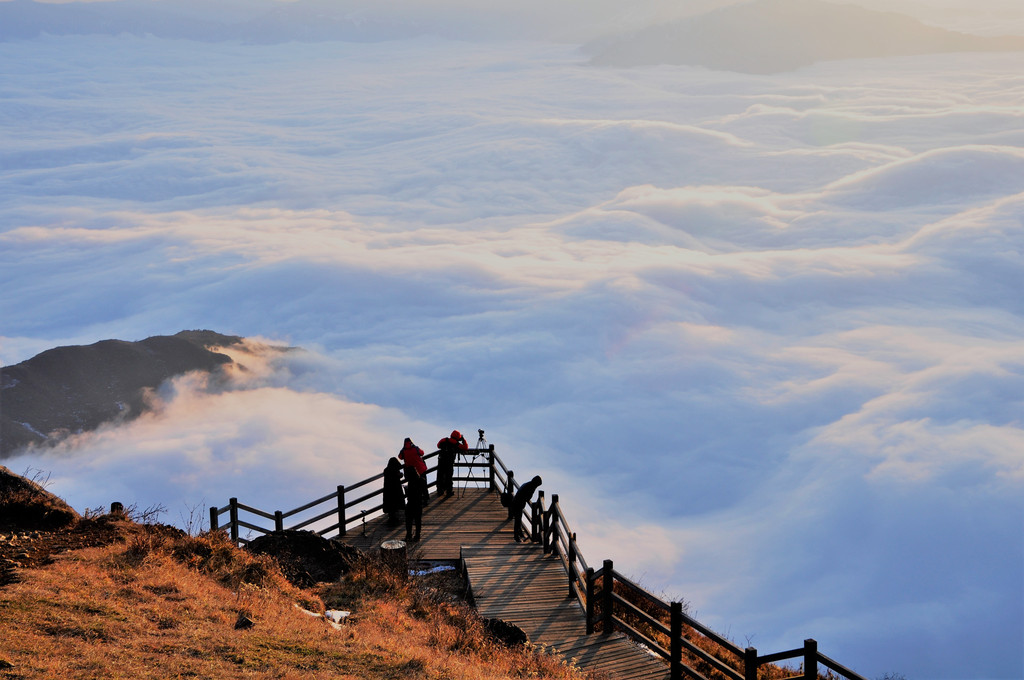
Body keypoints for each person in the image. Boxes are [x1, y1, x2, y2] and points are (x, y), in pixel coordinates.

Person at [435, 429, 468, 498]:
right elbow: (465, 448)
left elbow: (438, 445)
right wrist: (463, 440)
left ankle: (439, 490)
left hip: (441, 461)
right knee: (449, 477)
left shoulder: (444, 440)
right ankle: (448, 492)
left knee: (440, 475)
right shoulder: (456, 443)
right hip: (449, 462)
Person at [511, 475, 542, 543]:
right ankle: (517, 537)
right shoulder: (531, 487)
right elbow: (528, 497)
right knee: (518, 520)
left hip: (516, 503)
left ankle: (520, 534)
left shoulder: (527, 484)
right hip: (518, 504)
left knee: (518, 520)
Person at [399, 437, 429, 505]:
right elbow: (422, 453)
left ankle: (417, 500)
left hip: (411, 472)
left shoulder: (403, 451)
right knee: (423, 485)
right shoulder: (415, 448)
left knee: (414, 487)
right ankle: (425, 499)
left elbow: (400, 457)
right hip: (420, 469)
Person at [382, 457, 405, 527]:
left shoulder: (386, 470)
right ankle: (395, 517)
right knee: (395, 503)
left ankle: (391, 517)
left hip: (388, 490)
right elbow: (400, 474)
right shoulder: (395, 470)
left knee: (389, 503)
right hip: (396, 489)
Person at [404, 467, 423, 542]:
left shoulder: (410, 482)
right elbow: (424, 492)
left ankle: (409, 535)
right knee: (418, 520)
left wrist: (406, 490)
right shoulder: (421, 480)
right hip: (418, 503)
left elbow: (410, 494)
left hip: (411, 503)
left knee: (409, 520)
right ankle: (417, 535)